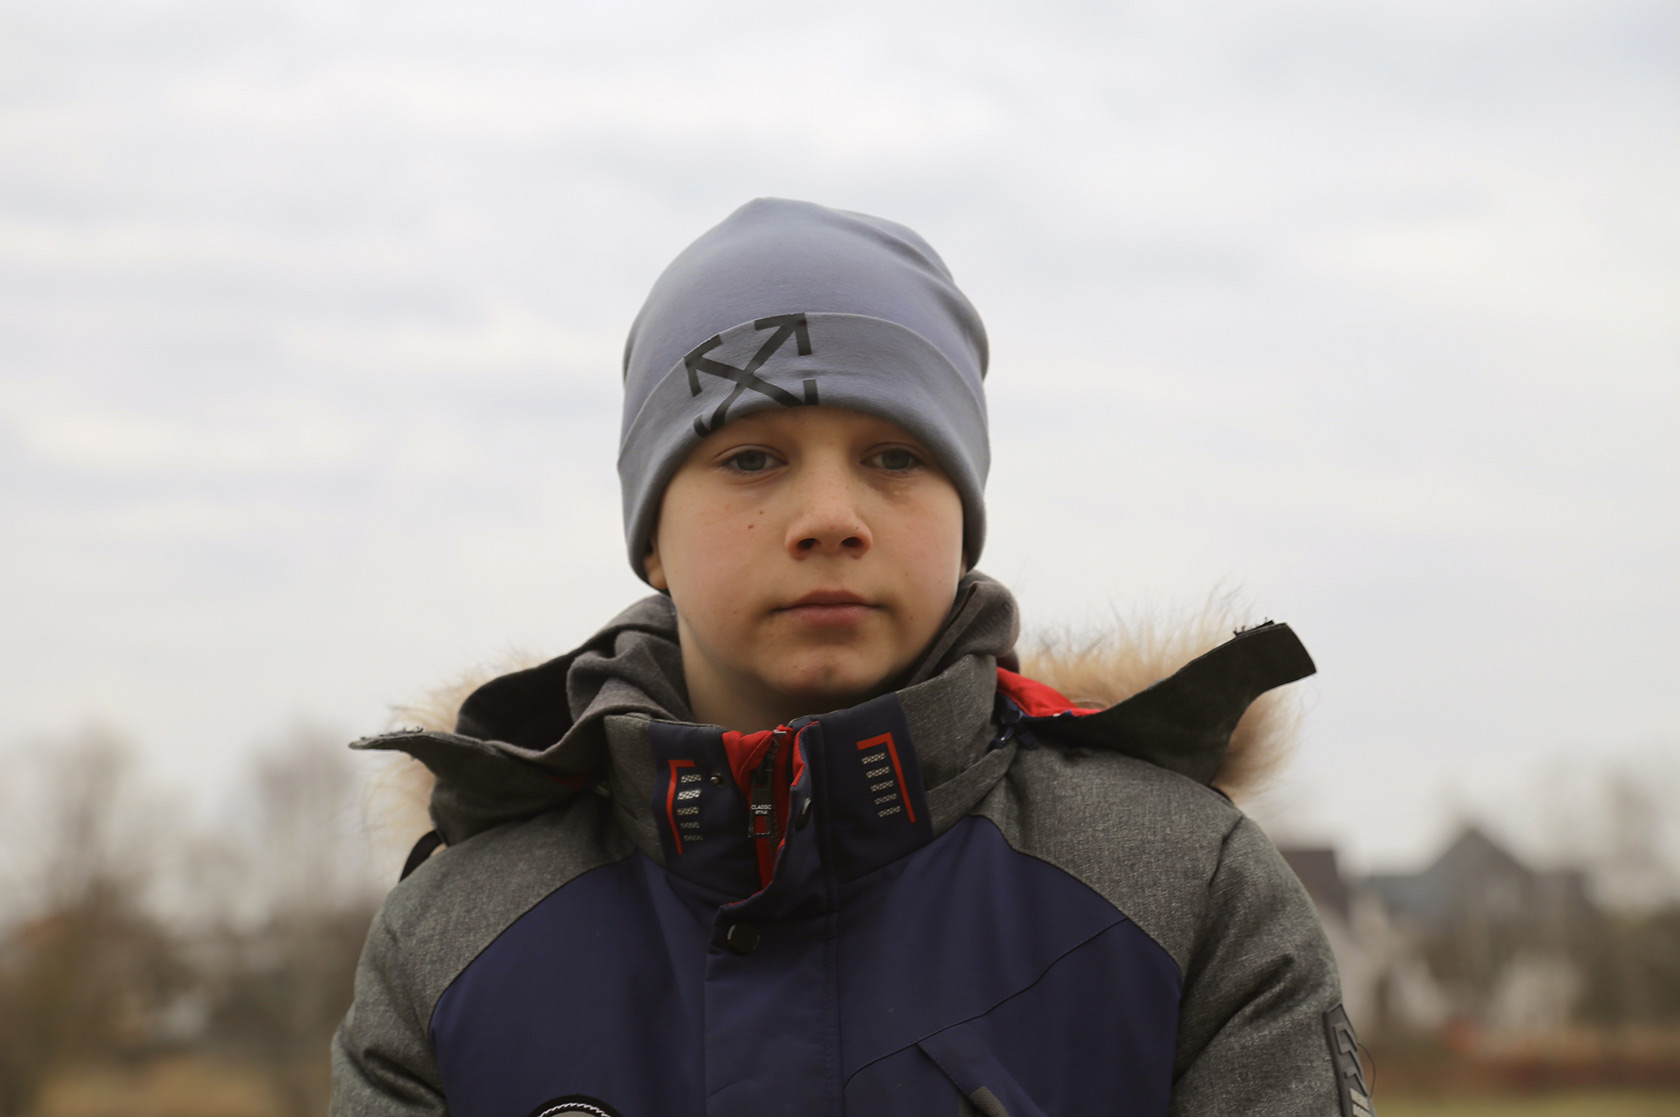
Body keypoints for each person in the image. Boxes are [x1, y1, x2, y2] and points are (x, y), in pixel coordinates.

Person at [331, 199, 1373, 1117]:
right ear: (651, 536)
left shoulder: (1189, 891)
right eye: (751, 457)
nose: (830, 516)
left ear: (963, 517)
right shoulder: (453, 940)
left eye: (895, 456)